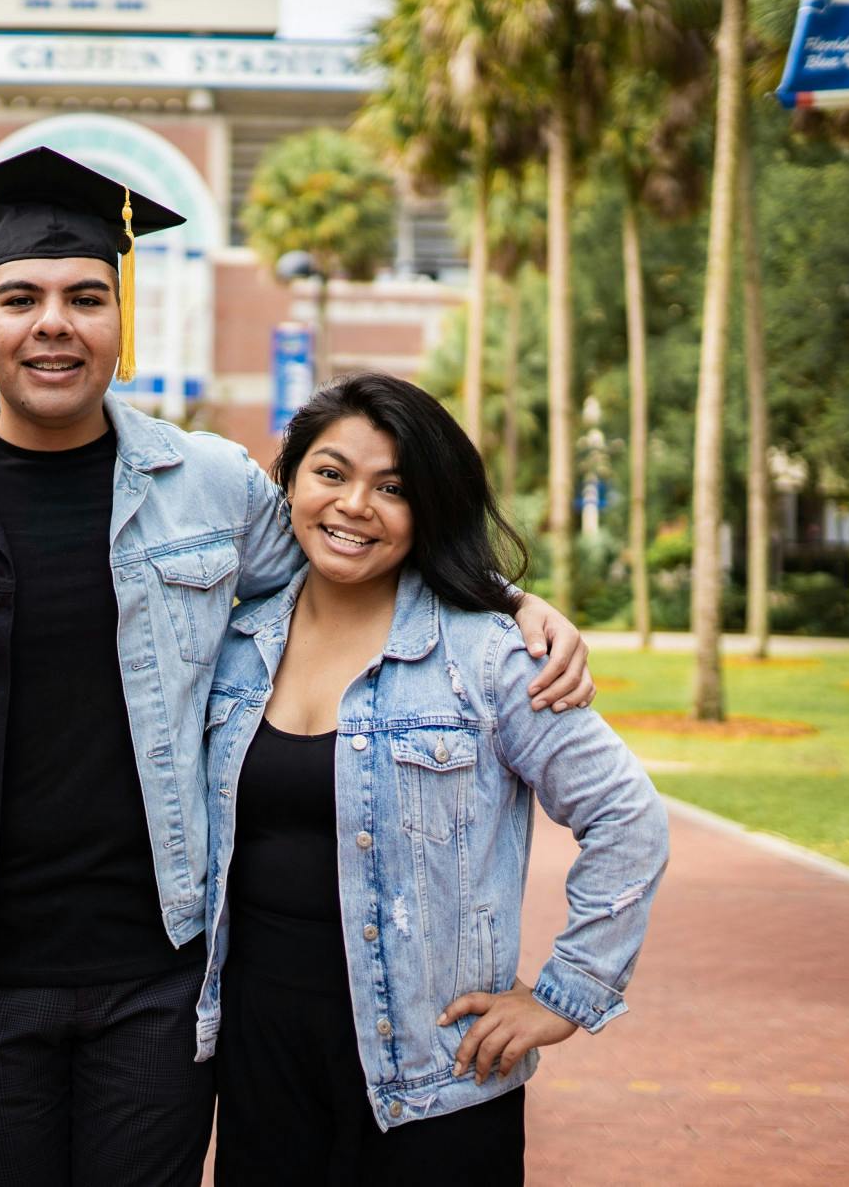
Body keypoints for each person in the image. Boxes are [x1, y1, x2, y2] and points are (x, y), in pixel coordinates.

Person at [0, 147, 599, 1187]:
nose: (53, 323)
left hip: (162, 969)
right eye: (20, 297)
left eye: (85, 296)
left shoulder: (207, 485)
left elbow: (343, 562)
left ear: (119, 324)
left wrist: (507, 603)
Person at [195, 372, 670, 1184]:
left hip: (434, 1076)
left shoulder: (485, 657)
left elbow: (627, 818)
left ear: (430, 509)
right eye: (331, 472)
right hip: (259, 1061)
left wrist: (565, 995)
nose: (354, 505)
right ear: (291, 483)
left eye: (393, 488)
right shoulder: (232, 643)